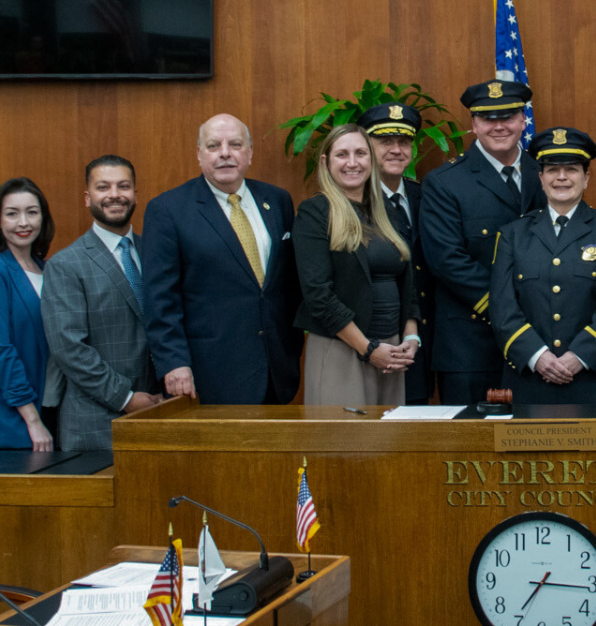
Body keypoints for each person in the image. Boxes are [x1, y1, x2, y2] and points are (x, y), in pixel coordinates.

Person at [142, 114, 301, 404]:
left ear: (250, 152)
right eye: (214, 146)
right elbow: (160, 299)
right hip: (209, 373)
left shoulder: (277, 200)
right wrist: (173, 362)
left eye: (235, 144)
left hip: (276, 368)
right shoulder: (168, 210)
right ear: (199, 154)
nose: (225, 153)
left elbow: (287, 285)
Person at [419, 80, 546, 404]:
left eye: (508, 116)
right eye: (489, 118)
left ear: (523, 120)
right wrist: (510, 311)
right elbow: (447, 261)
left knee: (538, 444)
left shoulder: (547, 172)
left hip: (542, 341)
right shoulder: (444, 182)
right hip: (470, 346)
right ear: (474, 124)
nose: (499, 126)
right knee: (467, 449)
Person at [490, 128, 596, 403]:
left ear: (586, 178)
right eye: (552, 170)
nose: (561, 177)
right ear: (540, 178)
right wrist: (537, 357)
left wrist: (579, 356)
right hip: (531, 380)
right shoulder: (512, 234)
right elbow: (502, 307)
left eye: (571, 169)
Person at [39, 156, 161, 453]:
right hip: (94, 424)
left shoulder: (157, 253)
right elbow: (70, 349)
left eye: (124, 186)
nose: (115, 194)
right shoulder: (65, 265)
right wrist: (127, 398)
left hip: (161, 414)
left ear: (135, 194)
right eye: (103, 187)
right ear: (88, 197)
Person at [295, 125, 420, 406]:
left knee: (388, 444)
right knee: (344, 446)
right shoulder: (315, 213)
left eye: (360, 153)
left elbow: (407, 283)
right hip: (342, 350)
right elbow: (318, 294)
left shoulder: (386, 211)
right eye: (342, 154)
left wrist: (411, 336)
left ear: (371, 160)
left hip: (391, 351)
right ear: (326, 162)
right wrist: (368, 349)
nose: (352, 162)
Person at [0, 178, 56, 451]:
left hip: (47, 407)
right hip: (8, 418)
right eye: (12, 213)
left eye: (32, 212)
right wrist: (32, 419)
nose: (23, 223)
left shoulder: (48, 270)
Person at [360, 101, 436, 404]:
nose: (396, 149)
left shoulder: (426, 197)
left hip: (425, 336)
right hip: (376, 338)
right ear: (367, 145)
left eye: (404, 141)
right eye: (385, 141)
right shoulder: (351, 204)